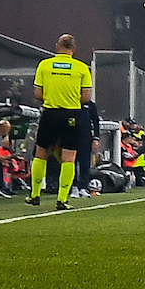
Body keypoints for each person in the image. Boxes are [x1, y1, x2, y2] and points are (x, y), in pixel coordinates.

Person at [27, 36, 92, 210]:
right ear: (74, 49)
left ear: (57, 46)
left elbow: (38, 95)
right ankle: (62, 199)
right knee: (69, 157)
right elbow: (86, 98)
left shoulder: (44, 65)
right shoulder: (82, 67)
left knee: (41, 153)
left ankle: (34, 195)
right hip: (72, 114)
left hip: (50, 113)